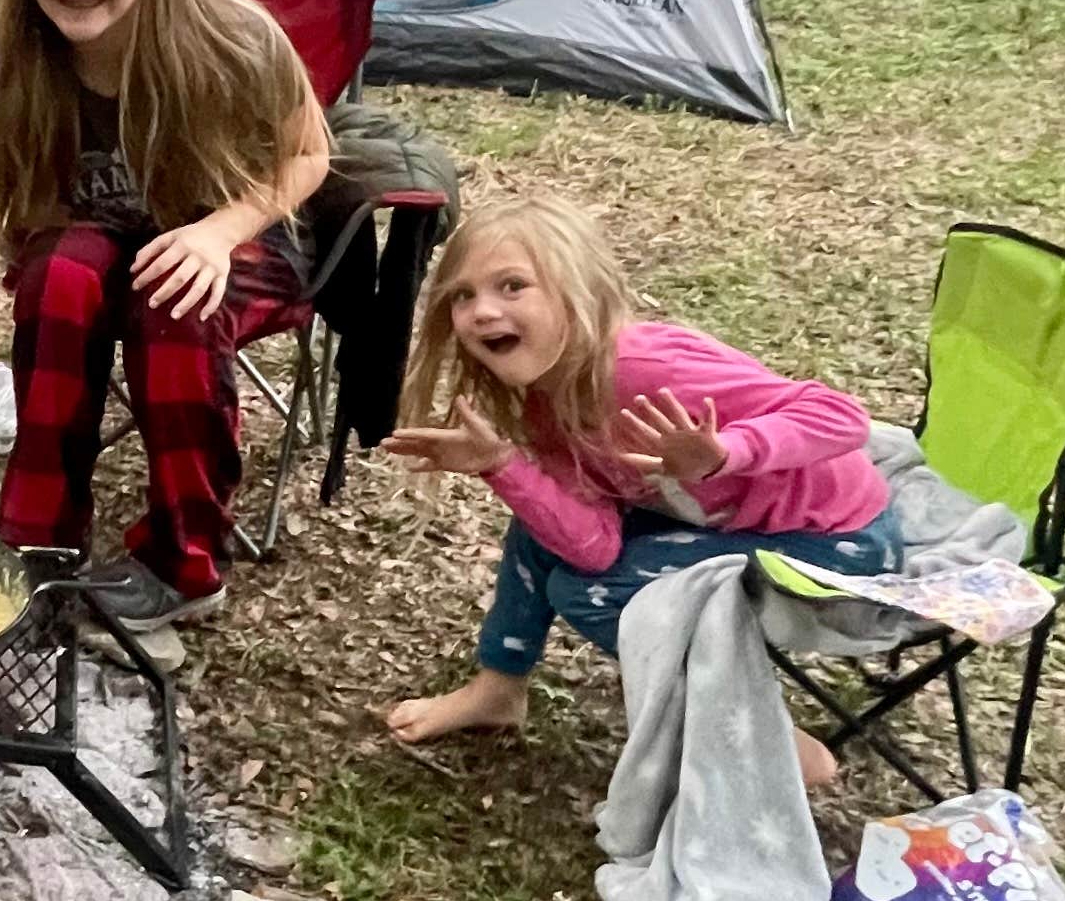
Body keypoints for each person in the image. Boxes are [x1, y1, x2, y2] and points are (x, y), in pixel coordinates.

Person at [0, 0, 331, 631]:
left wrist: (221, 229)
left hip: (232, 234)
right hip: (94, 237)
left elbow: (308, 153)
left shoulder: (235, 37)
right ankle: (42, 536)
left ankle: (186, 563)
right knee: (61, 278)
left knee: (171, 300)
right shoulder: (17, 56)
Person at [379, 195, 904, 786]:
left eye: (512, 286)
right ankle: (499, 690)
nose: (481, 311)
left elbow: (840, 416)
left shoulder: (643, 371)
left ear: (579, 293)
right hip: (733, 527)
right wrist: (502, 464)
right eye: (463, 295)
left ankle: (758, 733)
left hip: (840, 547)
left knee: (592, 593)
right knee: (540, 524)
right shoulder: (548, 401)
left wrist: (726, 455)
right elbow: (595, 545)